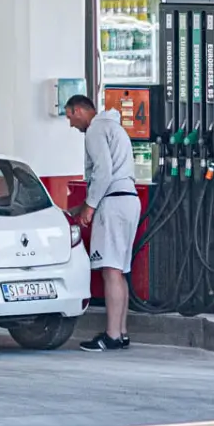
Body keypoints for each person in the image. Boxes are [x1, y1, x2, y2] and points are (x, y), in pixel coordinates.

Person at [65, 93, 140, 351]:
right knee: (119, 270)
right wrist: (83, 205)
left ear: (78, 110)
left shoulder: (95, 130)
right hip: (129, 200)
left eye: (70, 116)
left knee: (110, 271)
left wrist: (90, 206)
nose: (71, 124)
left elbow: (104, 171)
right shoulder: (114, 127)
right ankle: (122, 332)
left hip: (113, 203)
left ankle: (111, 335)